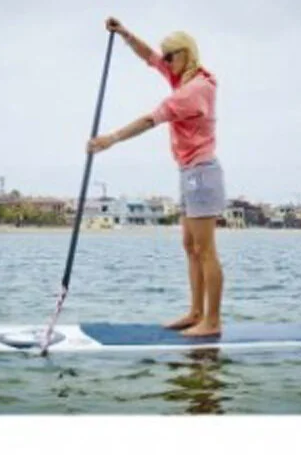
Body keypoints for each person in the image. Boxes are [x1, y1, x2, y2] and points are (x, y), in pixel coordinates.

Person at [90, 18, 224, 337]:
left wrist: (111, 139)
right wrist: (124, 34)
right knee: (190, 245)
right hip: (189, 171)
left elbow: (150, 119)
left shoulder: (192, 91)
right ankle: (195, 312)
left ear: (186, 54)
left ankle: (212, 321)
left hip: (202, 173)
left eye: (170, 56)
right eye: (165, 57)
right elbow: (148, 55)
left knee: (206, 250)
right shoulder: (183, 76)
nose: (164, 62)